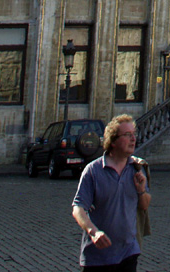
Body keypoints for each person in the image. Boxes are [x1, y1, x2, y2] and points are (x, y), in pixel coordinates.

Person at [72, 114, 151, 272]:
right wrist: (93, 232)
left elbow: (145, 205)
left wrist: (141, 190)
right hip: (98, 257)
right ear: (113, 141)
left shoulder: (137, 168)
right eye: (127, 135)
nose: (133, 139)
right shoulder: (93, 171)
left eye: (134, 134)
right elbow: (78, 208)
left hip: (129, 252)